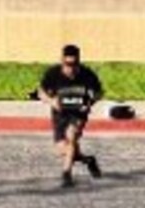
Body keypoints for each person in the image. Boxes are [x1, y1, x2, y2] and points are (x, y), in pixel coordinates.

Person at [38, 44, 104, 189]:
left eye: (74, 64)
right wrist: (51, 101)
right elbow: (40, 92)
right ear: (62, 61)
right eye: (67, 64)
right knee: (64, 148)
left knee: (71, 135)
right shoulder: (53, 73)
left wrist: (90, 102)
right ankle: (87, 160)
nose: (71, 68)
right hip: (60, 113)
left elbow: (100, 92)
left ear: (79, 62)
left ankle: (66, 174)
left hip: (79, 112)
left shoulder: (87, 74)